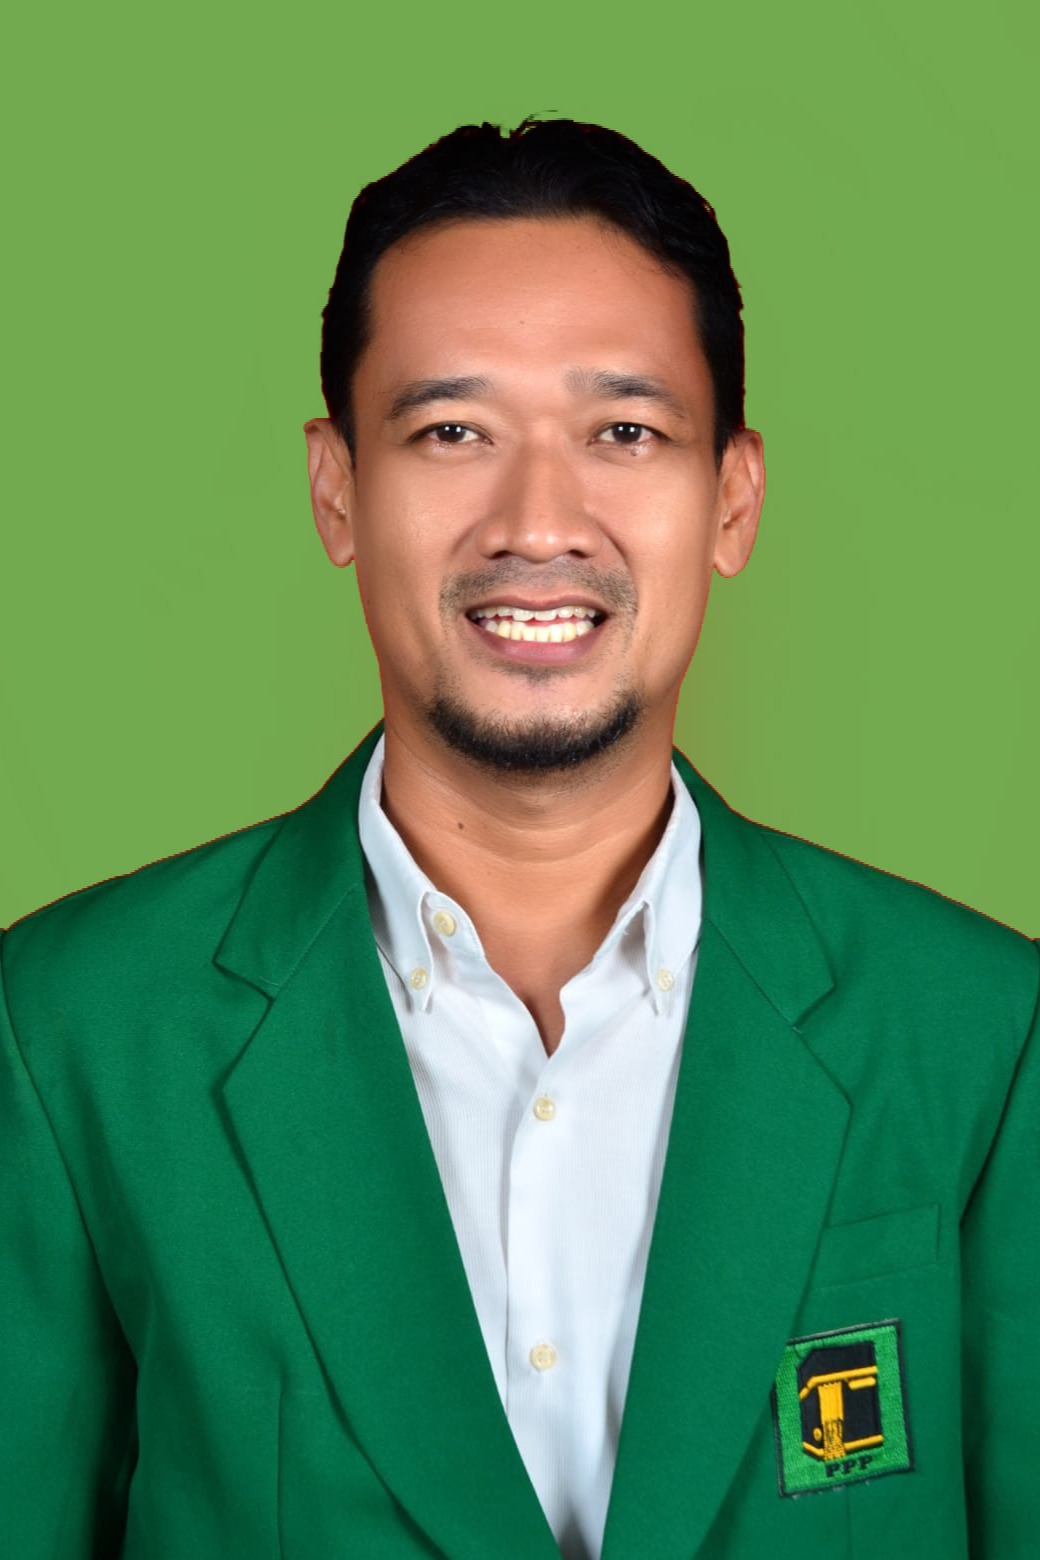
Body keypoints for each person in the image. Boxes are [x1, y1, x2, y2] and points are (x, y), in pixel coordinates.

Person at [0, 116, 1036, 1560]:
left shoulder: (980, 1029)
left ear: (732, 499)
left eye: (625, 432)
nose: (539, 521)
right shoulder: (73, 1033)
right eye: (452, 432)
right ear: (337, 490)